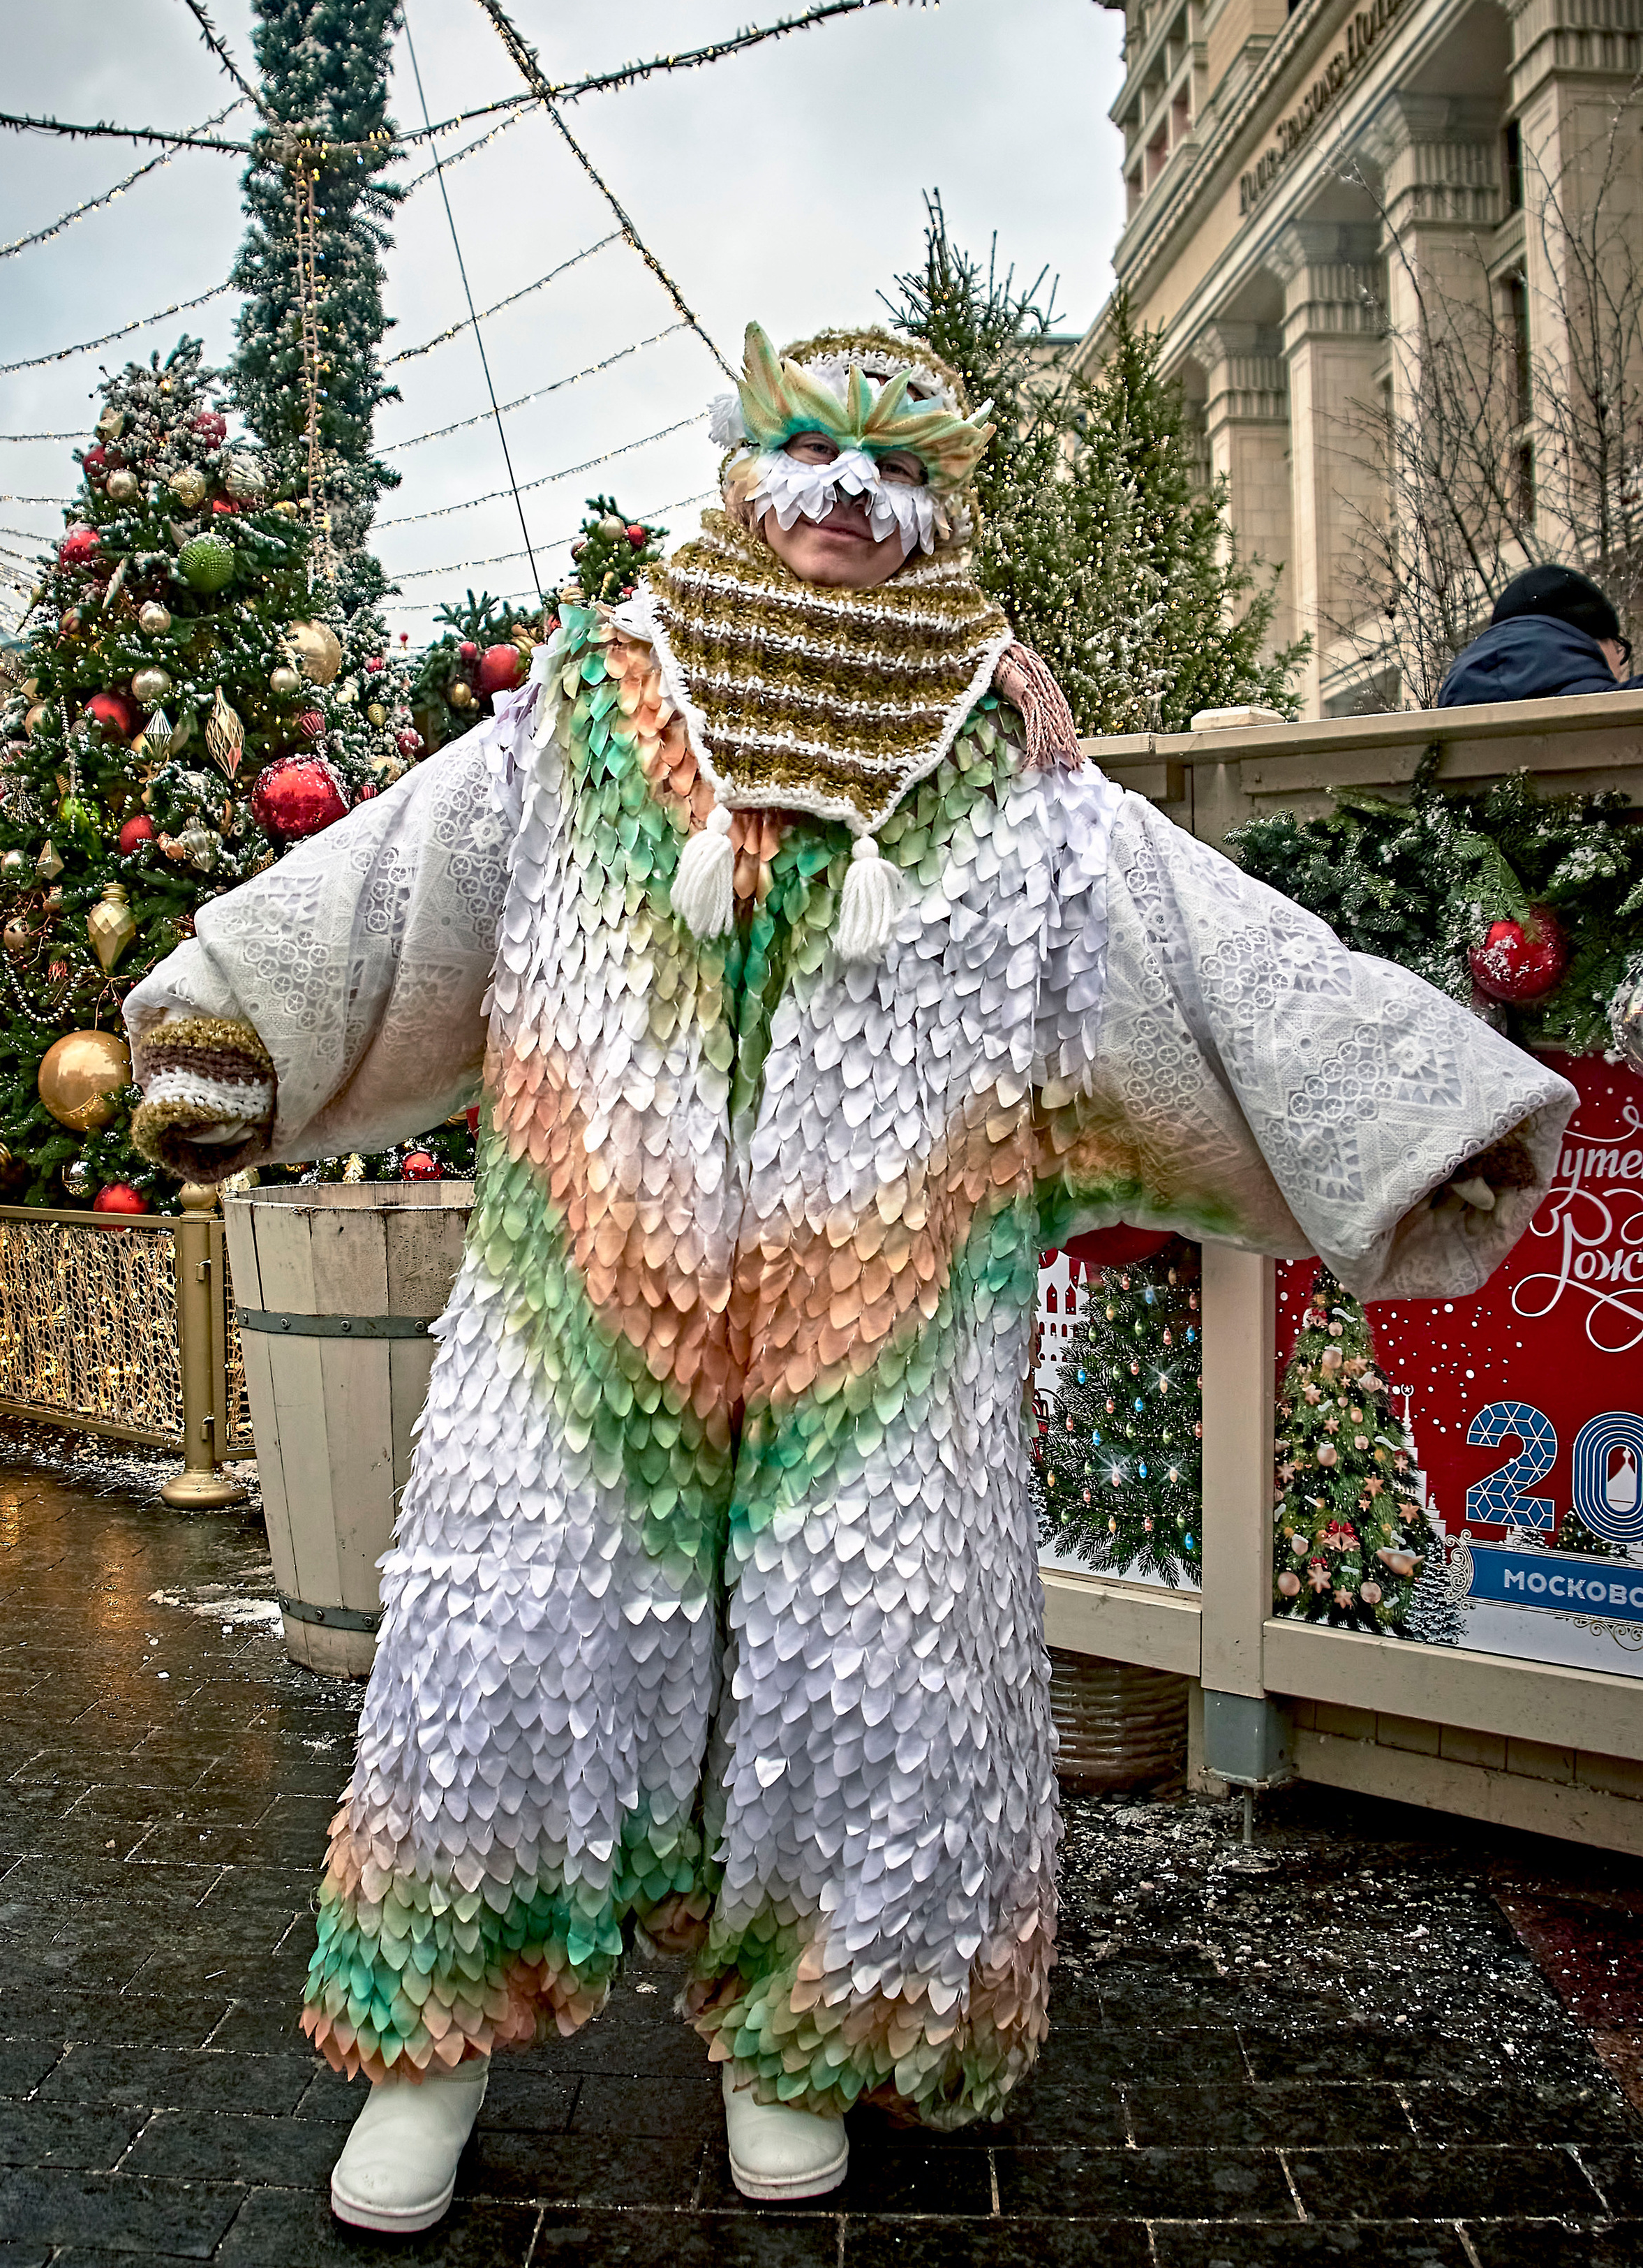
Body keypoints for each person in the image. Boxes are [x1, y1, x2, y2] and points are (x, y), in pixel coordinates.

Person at [126, 323, 1573, 2233]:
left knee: (873, 1666)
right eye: (814, 450)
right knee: (506, 1640)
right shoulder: (596, 700)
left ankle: (803, 2045)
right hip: (584, 1307)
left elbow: (1184, 937)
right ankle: (427, 2048)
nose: (849, 498)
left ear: (938, 504)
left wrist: (1396, 1106)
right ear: (748, 468)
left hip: (887, 1322)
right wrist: (232, 1013)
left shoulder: (1001, 750)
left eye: (896, 469)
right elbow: (410, 871)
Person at [1438, 563, 1635, 707]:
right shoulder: (1629, 709)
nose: (1621, 668)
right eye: (1619, 649)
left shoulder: (1442, 729)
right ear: (1589, 642)